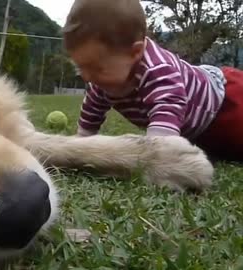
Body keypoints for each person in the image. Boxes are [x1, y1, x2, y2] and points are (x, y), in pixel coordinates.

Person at [62, 0, 243, 162]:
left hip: (225, 104)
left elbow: (166, 116)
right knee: (217, 152)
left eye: (96, 68)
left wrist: (156, 154)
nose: (87, 77)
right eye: (80, 67)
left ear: (135, 52)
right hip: (197, 133)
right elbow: (92, 112)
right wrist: (82, 142)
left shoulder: (158, 70)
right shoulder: (100, 81)